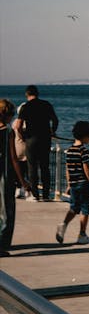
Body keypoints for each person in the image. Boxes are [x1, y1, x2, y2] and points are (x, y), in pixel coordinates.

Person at [56, 121, 89, 245]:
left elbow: (68, 169)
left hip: (74, 183)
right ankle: (82, 235)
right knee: (85, 209)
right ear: (85, 135)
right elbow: (87, 170)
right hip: (84, 184)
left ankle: (63, 224)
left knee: (74, 207)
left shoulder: (70, 150)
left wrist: (69, 184)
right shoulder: (83, 150)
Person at [13, 85, 58, 202]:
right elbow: (55, 120)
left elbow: (18, 126)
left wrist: (23, 136)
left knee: (32, 167)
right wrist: (53, 131)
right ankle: (47, 194)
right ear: (37, 93)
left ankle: (35, 195)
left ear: (26, 94)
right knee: (45, 166)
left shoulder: (25, 107)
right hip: (45, 138)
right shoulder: (46, 104)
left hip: (31, 139)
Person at [0, 99, 32, 256]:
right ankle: (2, 245)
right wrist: (22, 181)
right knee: (6, 210)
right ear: (5, 115)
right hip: (4, 176)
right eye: (11, 114)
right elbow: (13, 159)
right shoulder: (8, 132)